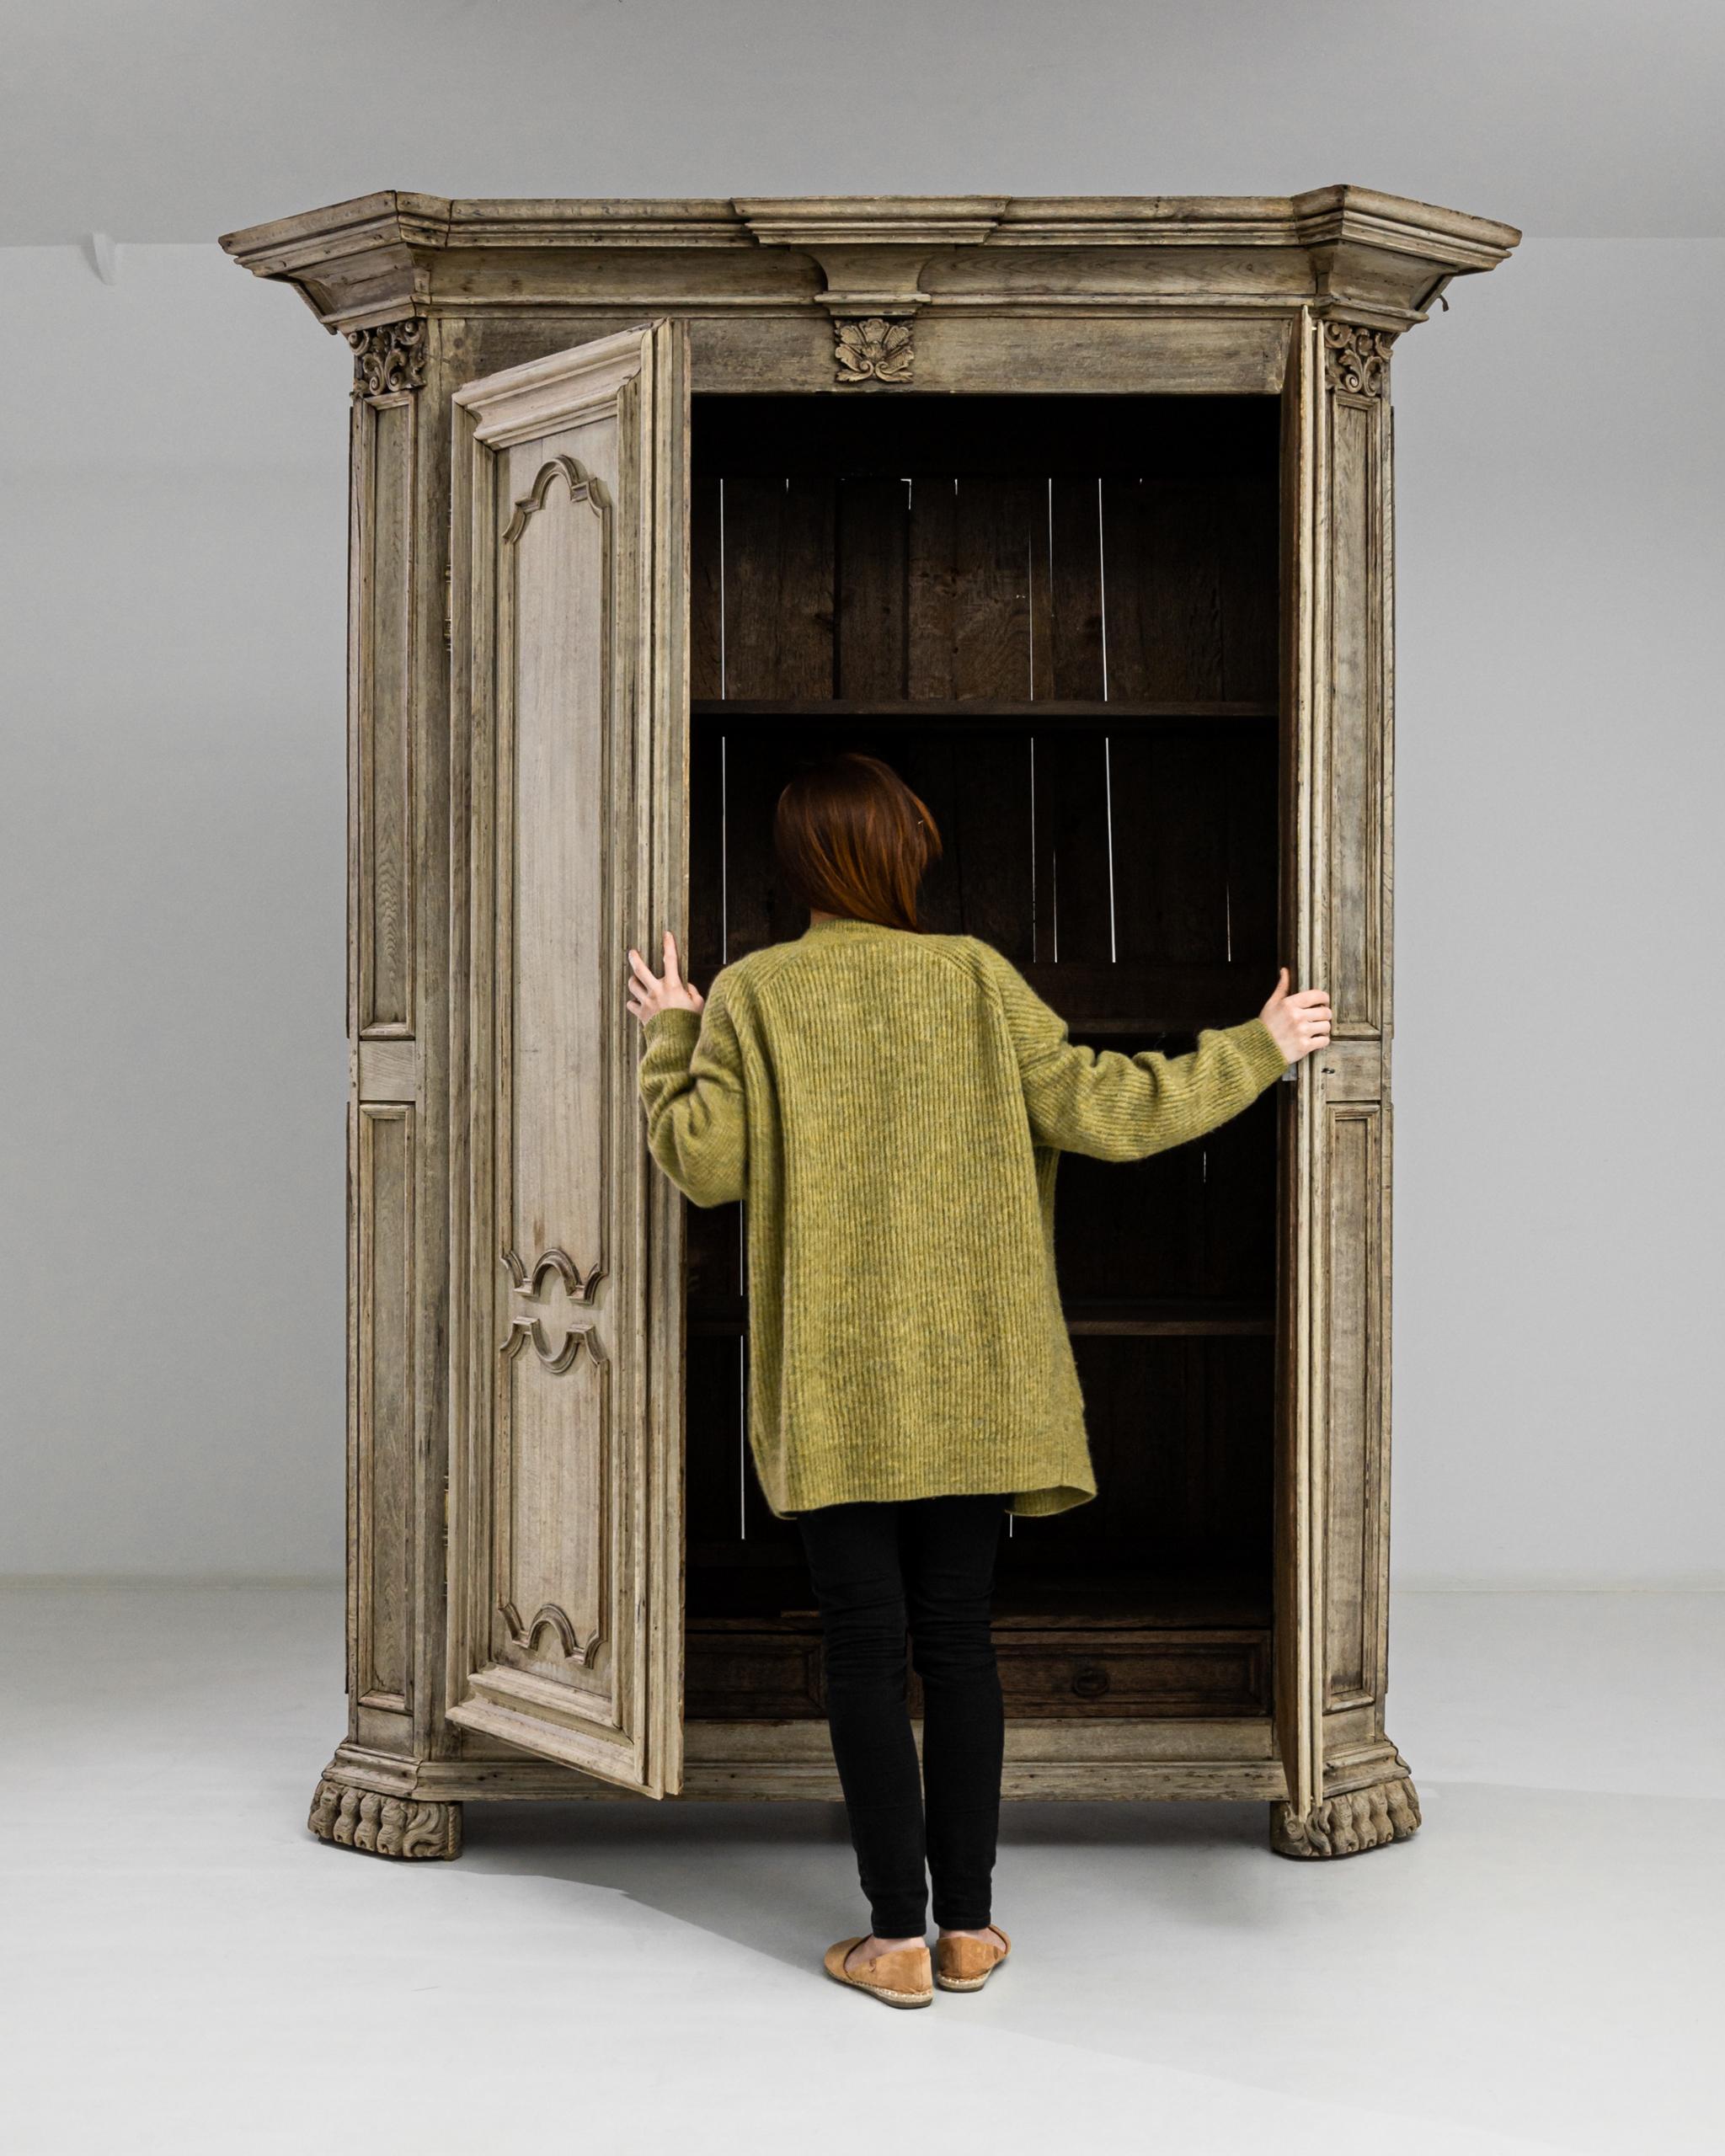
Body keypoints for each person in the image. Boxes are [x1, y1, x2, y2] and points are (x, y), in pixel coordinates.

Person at [626, 752, 1331, 2010]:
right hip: (977, 1384)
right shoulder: (974, 976)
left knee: (861, 1648)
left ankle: (891, 1939)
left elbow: (703, 1160)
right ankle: (967, 1930)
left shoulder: (754, 994)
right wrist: (1260, 1048)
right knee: (957, 1643)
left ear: (797, 869)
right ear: (903, 857)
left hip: (838, 1392)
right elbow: (1113, 1112)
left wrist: (670, 1031)